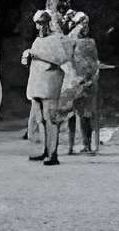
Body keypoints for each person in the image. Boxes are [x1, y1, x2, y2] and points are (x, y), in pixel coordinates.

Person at [24, 10, 70, 166]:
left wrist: (39, 55)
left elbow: (61, 58)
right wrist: (27, 58)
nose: (40, 26)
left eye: (42, 23)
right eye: (38, 24)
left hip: (50, 84)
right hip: (36, 84)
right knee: (40, 119)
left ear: (48, 23)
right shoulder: (37, 41)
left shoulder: (55, 39)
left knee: (50, 118)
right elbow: (35, 61)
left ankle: (53, 154)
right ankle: (45, 150)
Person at [60, 11, 100, 156]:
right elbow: (66, 59)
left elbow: (94, 61)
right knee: (70, 115)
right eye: (82, 24)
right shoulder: (69, 41)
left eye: (86, 24)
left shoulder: (90, 42)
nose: (84, 27)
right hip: (73, 81)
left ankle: (86, 144)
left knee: (86, 115)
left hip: (87, 82)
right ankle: (70, 146)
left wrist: (92, 77)